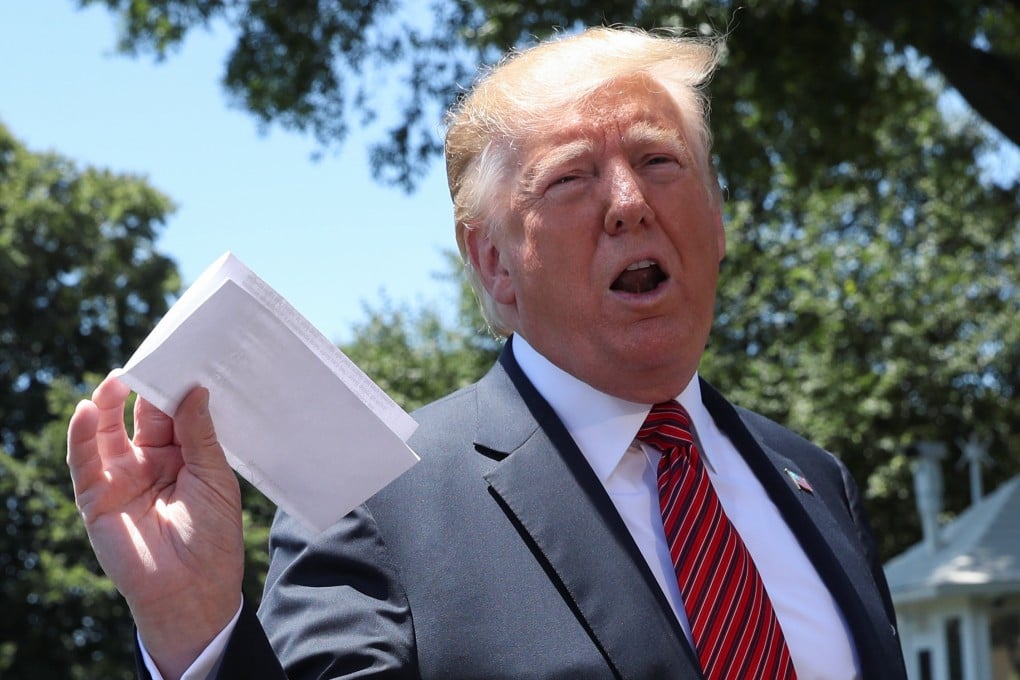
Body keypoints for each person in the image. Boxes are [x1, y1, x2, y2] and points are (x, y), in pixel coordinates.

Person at [67, 26, 907, 680]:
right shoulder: (377, 501)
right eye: (572, 179)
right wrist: (196, 634)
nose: (627, 202)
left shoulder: (814, 479)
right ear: (494, 263)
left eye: (659, 160)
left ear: (719, 220)